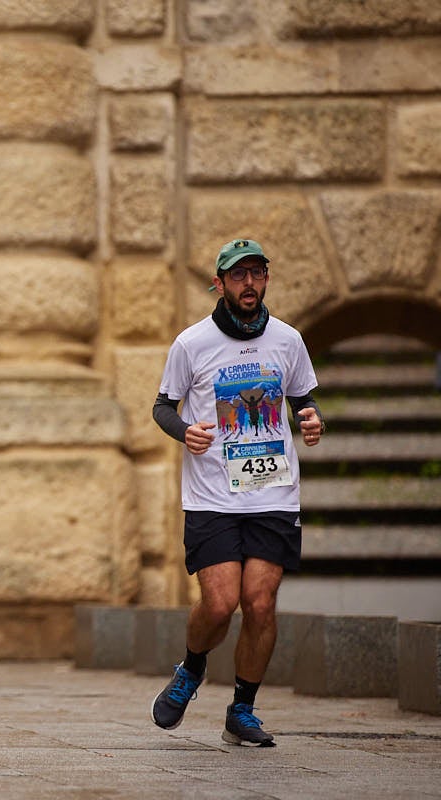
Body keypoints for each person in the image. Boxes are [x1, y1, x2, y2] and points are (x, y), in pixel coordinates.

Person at [149, 238, 325, 747]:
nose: (249, 283)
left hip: (273, 494)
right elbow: (162, 407)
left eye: (257, 273)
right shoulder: (192, 344)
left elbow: (304, 400)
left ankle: (242, 709)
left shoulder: (288, 340)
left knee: (260, 604)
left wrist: (312, 420)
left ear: (266, 278)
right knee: (221, 603)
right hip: (212, 497)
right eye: (238, 275)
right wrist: (185, 431)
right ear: (219, 283)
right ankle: (192, 667)